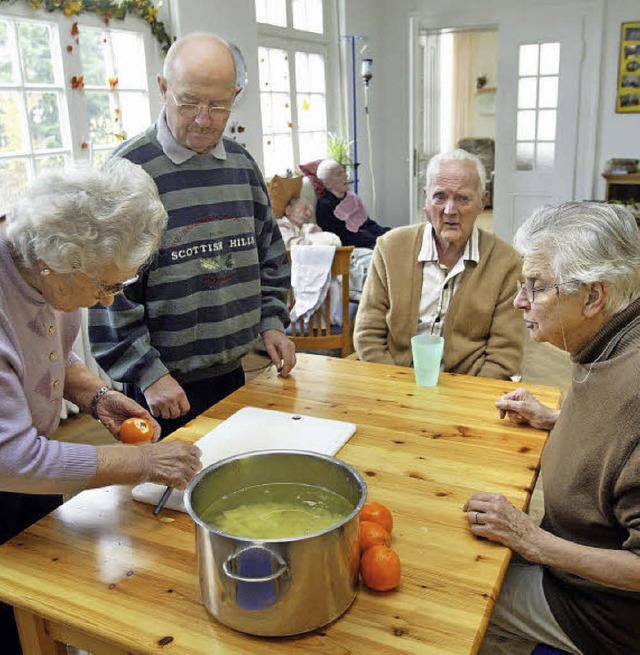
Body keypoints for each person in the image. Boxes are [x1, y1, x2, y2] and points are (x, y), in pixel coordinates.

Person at [0, 161, 202, 655]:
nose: (108, 302)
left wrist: (95, 395)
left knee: (46, 595)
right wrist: (144, 462)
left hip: (28, 475)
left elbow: (45, 355)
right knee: (12, 624)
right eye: (104, 286)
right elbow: (13, 459)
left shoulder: (43, 273)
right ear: (54, 260)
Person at [89, 33, 295, 437]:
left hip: (232, 374)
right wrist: (148, 373)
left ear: (235, 95)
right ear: (163, 88)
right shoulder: (127, 171)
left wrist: (271, 322)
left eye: (218, 105)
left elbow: (270, 254)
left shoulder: (242, 166)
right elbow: (105, 292)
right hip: (160, 388)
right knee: (159, 498)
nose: (204, 118)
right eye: (189, 102)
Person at [463, 202, 640, 655]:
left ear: (593, 296)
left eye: (536, 288)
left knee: (456, 601)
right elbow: (618, 443)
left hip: (600, 613)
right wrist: (555, 419)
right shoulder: (613, 340)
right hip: (569, 561)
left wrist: (531, 540)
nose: (520, 301)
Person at [353, 149, 523, 380]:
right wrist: (395, 387)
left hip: (467, 389)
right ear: (426, 198)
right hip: (394, 381)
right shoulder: (390, 248)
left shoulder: (506, 263)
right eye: (440, 196)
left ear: (483, 202)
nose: (450, 210)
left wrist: (464, 399)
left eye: (463, 198)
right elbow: (368, 334)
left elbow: (504, 354)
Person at [315, 158, 390, 248]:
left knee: (400, 235)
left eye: (344, 172)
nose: (345, 176)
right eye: (339, 174)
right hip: (355, 246)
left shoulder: (351, 197)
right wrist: (376, 239)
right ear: (327, 184)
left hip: (369, 237)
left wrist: (386, 233)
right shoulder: (325, 205)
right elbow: (340, 238)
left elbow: (368, 223)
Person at [276, 197, 342, 247]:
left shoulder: (304, 229)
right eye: (304, 209)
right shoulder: (280, 227)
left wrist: (318, 234)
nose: (308, 214)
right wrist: (318, 240)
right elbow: (290, 245)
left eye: (310, 211)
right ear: (288, 210)